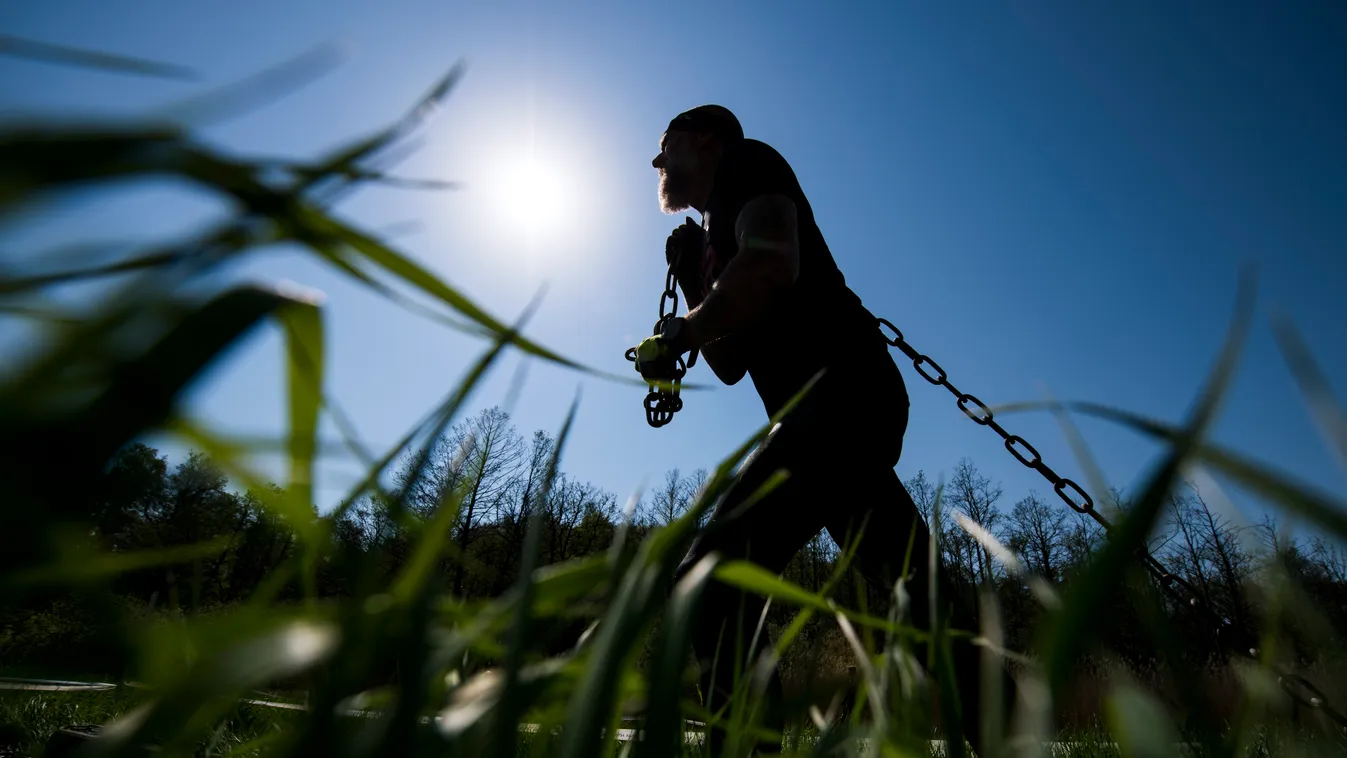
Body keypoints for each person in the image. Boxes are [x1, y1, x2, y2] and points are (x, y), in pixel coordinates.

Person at [634, 105, 1017, 756]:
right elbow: (730, 364)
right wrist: (692, 272)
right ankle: (1009, 734)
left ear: (702, 139)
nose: (656, 164)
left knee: (709, 588)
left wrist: (686, 325)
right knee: (914, 599)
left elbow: (772, 264)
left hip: (840, 401)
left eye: (663, 146)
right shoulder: (711, 231)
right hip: (834, 414)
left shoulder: (747, 164)